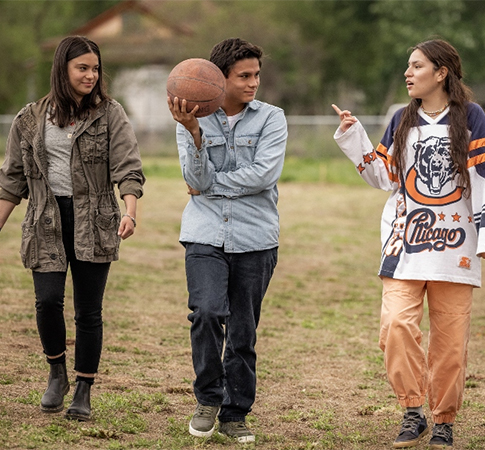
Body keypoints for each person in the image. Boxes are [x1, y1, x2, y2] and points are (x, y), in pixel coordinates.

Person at [332, 38, 485, 449]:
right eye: (408, 66)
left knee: (449, 342)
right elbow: (385, 177)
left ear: (441, 72)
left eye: (416, 66)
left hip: (456, 246)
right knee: (395, 326)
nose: (408, 73)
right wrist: (353, 135)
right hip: (405, 244)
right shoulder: (401, 119)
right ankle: (413, 411)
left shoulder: (471, 117)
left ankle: (443, 420)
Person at [0, 36, 144, 421]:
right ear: (62, 70)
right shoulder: (29, 118)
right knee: (47, 302)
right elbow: (11, 180)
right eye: (83, 68)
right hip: (44, 221)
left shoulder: (111, 114)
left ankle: (83, 388)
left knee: (88, 311)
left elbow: (128, 168)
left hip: (95, 222)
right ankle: (57, 372)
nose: (91, 75)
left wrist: (129, 211)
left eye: (95, 68)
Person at [168, 38, 286, 444]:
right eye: (245, 76)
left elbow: (263, 175)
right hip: (203, 235)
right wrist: (195, 134)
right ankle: (207, 399)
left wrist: (211, 185)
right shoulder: (191, 118)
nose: (254, 83)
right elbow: (193, 181)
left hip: (256, 238)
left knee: (243, 333)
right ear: (221, 78)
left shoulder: (272, 119)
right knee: (205, 312)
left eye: (257, 75)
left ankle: (236, 415)